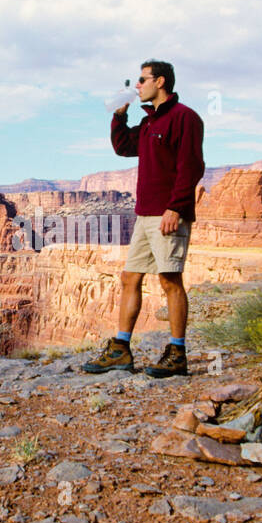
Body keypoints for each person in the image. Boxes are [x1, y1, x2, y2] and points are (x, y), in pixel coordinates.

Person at [83, 60, 205, 378]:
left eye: (142, 80)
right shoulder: (150, 122)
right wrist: (119, 116)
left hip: (167, 214)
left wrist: (176, 207)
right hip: (145, 214)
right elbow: (123, 147)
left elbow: (191, 165)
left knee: (169, 280)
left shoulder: (185, 118)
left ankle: (177, 353)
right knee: (130, 278)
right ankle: (121, 350)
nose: (137, 86)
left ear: (160, 82)